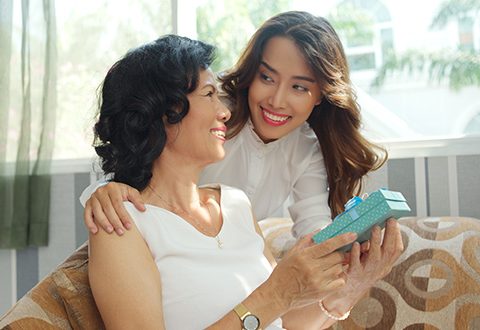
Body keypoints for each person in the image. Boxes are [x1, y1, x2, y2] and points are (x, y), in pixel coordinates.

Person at [88, 34, 403, 329]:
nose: (224, 111)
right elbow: (269, 305)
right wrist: (276, 293)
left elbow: (281, 321)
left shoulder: (235, 202)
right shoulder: (121, 225)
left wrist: (350, 288)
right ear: (163, 111)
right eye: (210, 94)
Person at [81, 11, 387, 239]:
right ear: (252, 72)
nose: (277, 101)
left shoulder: (306, 147)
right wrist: (106, 189)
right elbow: (138, 139)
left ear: (321, 94)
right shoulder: (211, 110)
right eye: (267, 77)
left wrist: (342, 249)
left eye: (299, 87)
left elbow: (312, 224)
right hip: (161, 242)